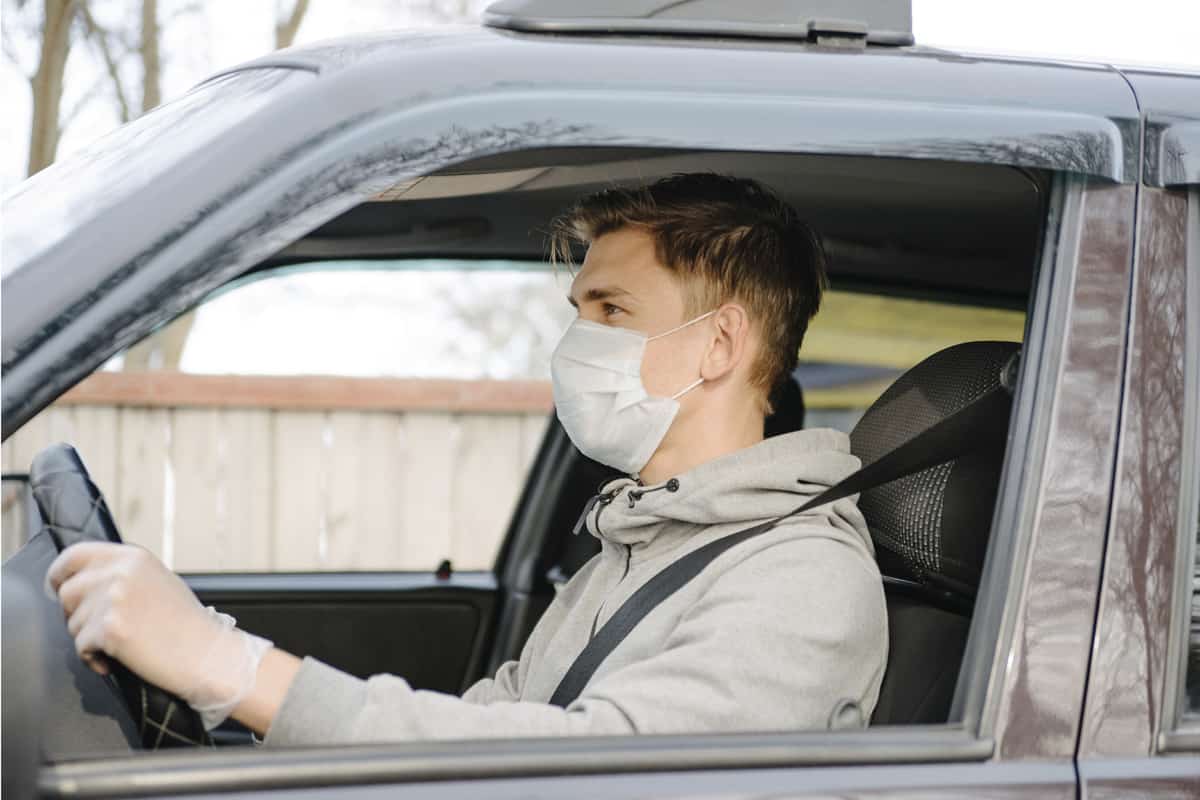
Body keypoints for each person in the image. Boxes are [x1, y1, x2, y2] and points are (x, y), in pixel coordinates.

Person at [47, 173, 887, 744]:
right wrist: (224, 664)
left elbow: (601, 771)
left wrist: (232, 671)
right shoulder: (637, 537)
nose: (577, 340)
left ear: (720, 344)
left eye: (612, 308)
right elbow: (495, 719)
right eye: (579, 310)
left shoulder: (802, 576)